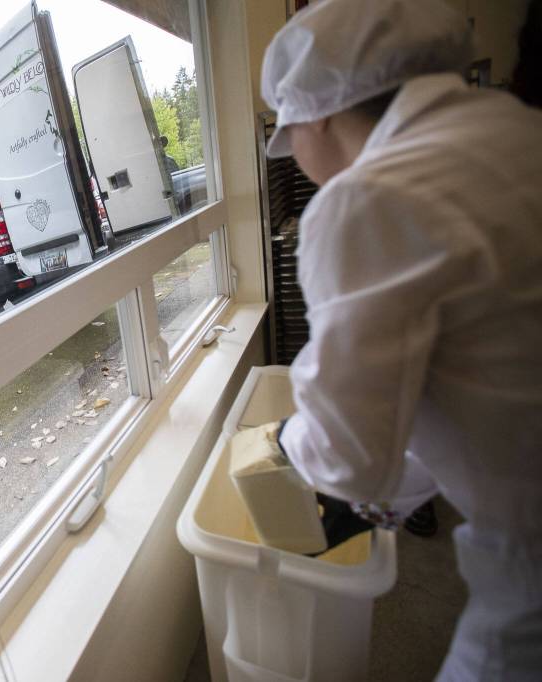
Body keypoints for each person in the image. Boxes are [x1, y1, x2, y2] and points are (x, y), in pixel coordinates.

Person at [256, 0, 542, 678]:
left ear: (318, 114)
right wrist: (392, 496)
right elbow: (478, 374)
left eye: (289, 131)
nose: (296, 152)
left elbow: (346, 457)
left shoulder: (369, 200)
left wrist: (285, 443)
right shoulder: (520, 132)